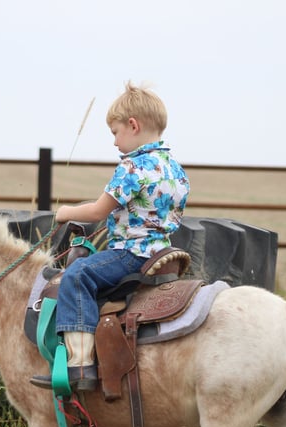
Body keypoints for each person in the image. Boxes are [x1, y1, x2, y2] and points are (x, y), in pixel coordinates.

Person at [30, 81, 189, 392]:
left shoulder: (132, 167)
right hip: (161, 251)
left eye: (116, 132)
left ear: (133, 125)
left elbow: (96, 212)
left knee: (77, 275)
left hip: (131, 254)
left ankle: (79, 365)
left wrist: (65, 212)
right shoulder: (175, 169)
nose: (115, 141)